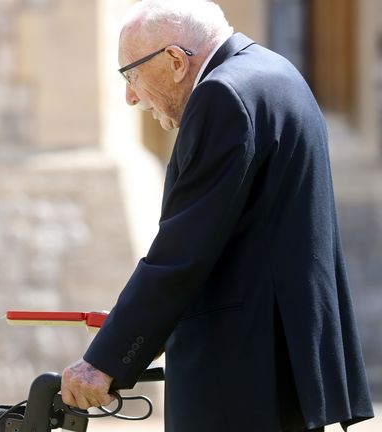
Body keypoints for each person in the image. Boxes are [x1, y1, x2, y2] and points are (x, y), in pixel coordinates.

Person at [60, 1, 374, 431]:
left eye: (130, 74)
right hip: (286, 365)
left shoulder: (222, 94)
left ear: (174, 61)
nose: (130, 96)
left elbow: (183, 250)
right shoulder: (274, 72)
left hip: (244, 376)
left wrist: (103, 361)